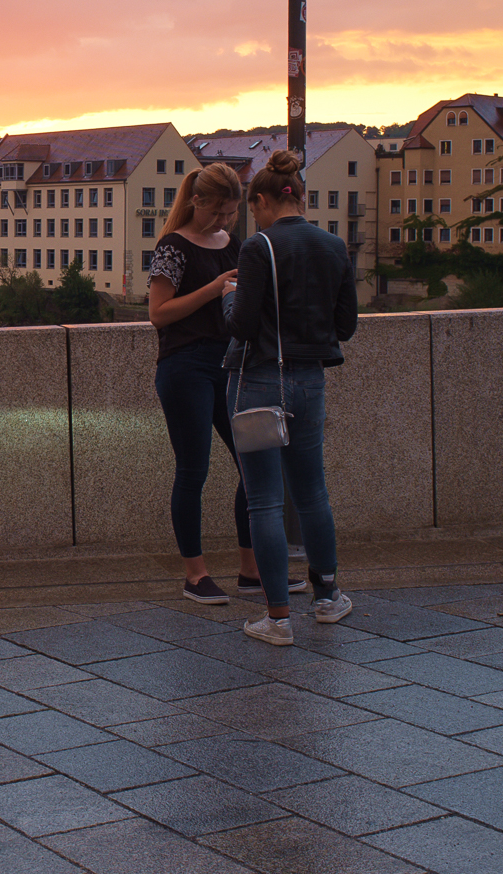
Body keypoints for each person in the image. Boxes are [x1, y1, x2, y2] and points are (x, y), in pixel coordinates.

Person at [147, 162, 303, 605]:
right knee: (193, 470)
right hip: (185, 365)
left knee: (253, 464)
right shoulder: (172, 247)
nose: (224, 222)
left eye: (231, 214)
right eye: (217, 213)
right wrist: (215, 287)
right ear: (196, 201)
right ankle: (195, 575)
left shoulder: (234, 244)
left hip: (230, 364)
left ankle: (251, 570)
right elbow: (159, 313)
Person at [221, 150, 359, 646]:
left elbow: (239, 325)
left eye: (251, 209)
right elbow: (345, 326)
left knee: (264, 501)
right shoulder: (334, 246)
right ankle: (327, 598)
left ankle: (277, 618)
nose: (252, 218)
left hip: (259, 381)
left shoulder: (258, 247)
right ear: (300, 196)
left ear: (261, 201)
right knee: (313, 492)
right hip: (310, 381)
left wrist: (230, 299)